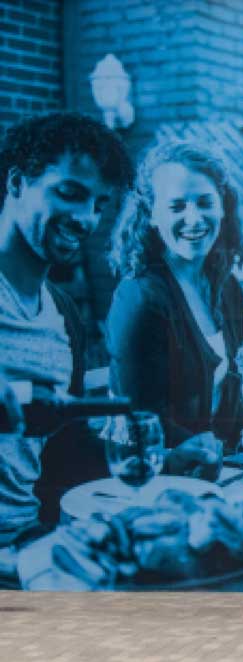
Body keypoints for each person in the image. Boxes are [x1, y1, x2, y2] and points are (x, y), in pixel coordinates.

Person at [0, 112, 133, 549]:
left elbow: (63, 453)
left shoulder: (62, 313)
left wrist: (160, 462)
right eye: (71, 193)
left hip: (27, 547)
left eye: (100, 204)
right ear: (17, 185)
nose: (86, 219)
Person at [107, 142, 243, 482]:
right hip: (159, 479)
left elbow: (233, 394)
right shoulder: (139, 297)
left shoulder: (228, 289)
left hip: (221, 473)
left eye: (204, 202)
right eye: (176, 206)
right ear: (153, 215)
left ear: (223, 208)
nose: (194, 218)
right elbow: (137, 418)